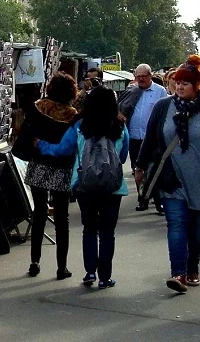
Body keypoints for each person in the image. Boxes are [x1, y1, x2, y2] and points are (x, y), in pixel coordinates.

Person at [135, 56, 200, 293]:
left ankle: (193, 268)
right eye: (177, 82)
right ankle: (178, 273)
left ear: (198, 86)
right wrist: (140, 166)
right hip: (170, 177)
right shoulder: (163, 107)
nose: (180, 86)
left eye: (186, 83)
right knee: (176, 223)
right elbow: (151, 138)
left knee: (194, 225)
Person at [37, 87, 130, 289]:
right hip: (113, 187)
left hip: (84, 184)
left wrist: (41, 145)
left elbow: (62, 150)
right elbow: (122, 157)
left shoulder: (80, 126)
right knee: (107, 232)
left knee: (89, 229)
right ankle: (105, 276)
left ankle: (90, 273)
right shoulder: (120, 127)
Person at [18, 73, 79, 279]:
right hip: (62, 168)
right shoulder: (73, 115)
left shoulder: (37, 108)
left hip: (38, 165)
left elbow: (25, 134)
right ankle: (62, 267)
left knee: (39, 213)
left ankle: (35, 261)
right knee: (62, 218)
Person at [118, 63, 169, 211]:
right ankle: (142, 199)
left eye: (143, 77)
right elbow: (120, 107)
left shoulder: (160, 92)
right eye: (137, 77)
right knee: (138, 169)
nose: (140, 80)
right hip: (135, 136)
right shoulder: (131, 91)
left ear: (150, 76)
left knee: (155, 169)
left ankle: (158, 200)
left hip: (153, 138)